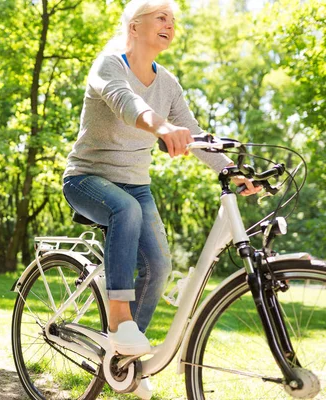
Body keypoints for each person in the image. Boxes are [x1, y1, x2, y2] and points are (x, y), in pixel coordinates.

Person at [62, 0, 260, 397]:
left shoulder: (168, 83)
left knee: (159, 266)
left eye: (173, 19)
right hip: (86, 179)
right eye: (161, 17)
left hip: (135, 184)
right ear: (135, 27)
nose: (170, 23)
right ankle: (120, 322)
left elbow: (193, 132)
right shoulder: (108, 65)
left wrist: (229, 170)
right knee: (125, 209)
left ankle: (124, 360)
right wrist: (161, 126)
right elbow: (126, 104)